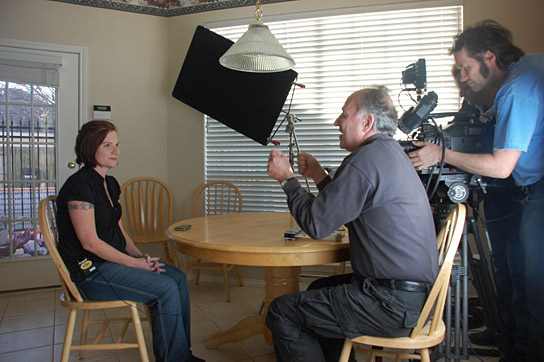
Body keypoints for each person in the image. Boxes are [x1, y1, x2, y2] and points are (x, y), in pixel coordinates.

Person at [265, 86, 438, 362]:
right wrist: (319, 175)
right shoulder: (387, 154)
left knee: (281, 312)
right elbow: (342, 206)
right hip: (415, 298)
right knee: (317, 289)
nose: (337, 122)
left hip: (389, 304)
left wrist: (287, 179)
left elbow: (317, 223)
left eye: (344, 115)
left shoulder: (364, 160)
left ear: (367, 122)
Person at [408, 20, 543, 360]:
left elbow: (500, 166)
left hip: (538, 191)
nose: (462, 77)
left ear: (489, 56)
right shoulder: (527, 68)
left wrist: (441, 153)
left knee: (534, 285)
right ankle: (512, 343)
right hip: (525, 190)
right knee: (515, 273)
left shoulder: (516, 88)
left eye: (464, 68)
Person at [56, 120, 204, 362]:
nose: (116, 151)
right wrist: (134, 265)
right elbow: (90, 243)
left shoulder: (110, 184)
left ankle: (180, 354)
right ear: (89, 147)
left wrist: (139, 256)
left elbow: (120, 233)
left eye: (117, 144)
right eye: (108, 145)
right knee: (164, 289)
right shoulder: (79, 185)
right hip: (89, 272)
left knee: (176, 278)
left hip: (112, 265)